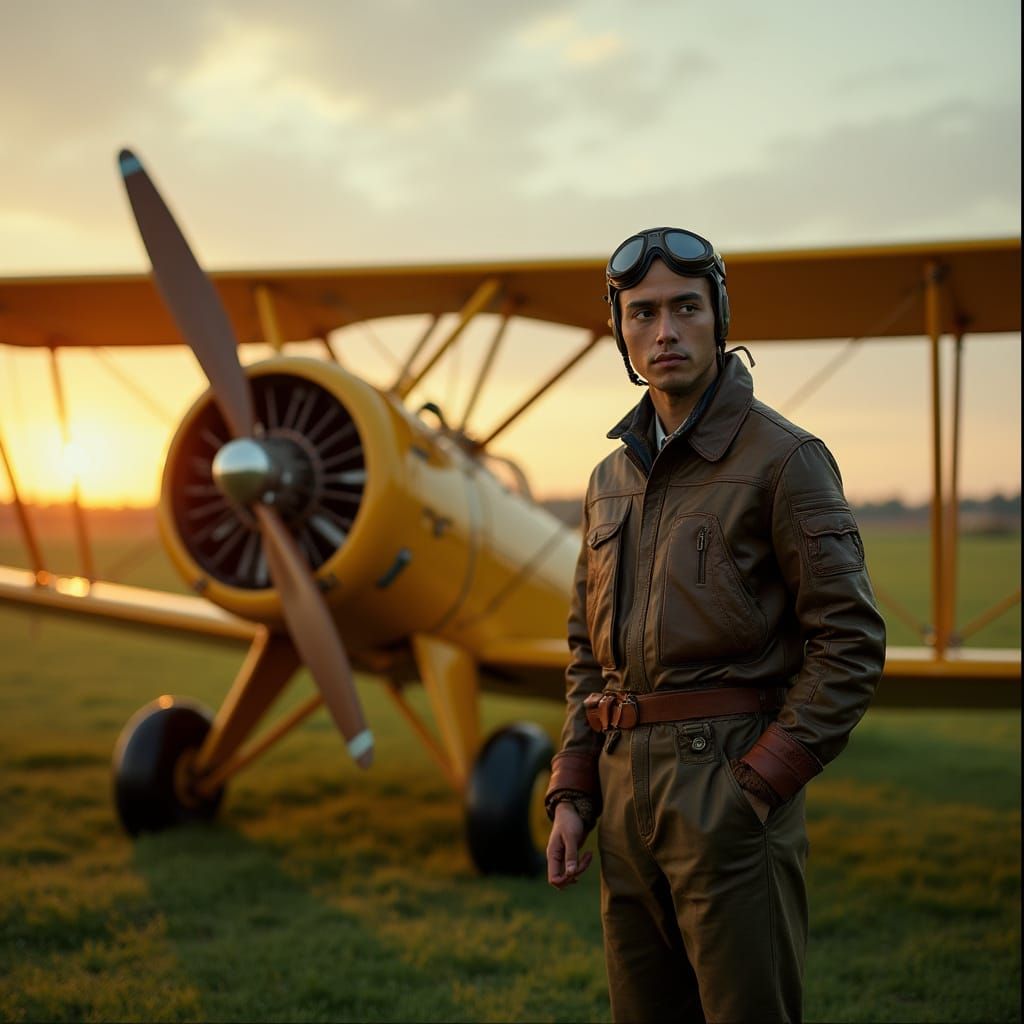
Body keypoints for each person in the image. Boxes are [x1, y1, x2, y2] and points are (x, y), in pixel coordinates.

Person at [544, 226, 886, 1023]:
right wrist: (572, 790)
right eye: (643, 313)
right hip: (624, 794)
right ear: (621, 331)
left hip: (727, 787)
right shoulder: (608, 479)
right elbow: (586, 655)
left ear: (719, 315)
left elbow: (850, 643)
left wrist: (759, 784)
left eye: (686, 308)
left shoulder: (786, 460)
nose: (664, 332)